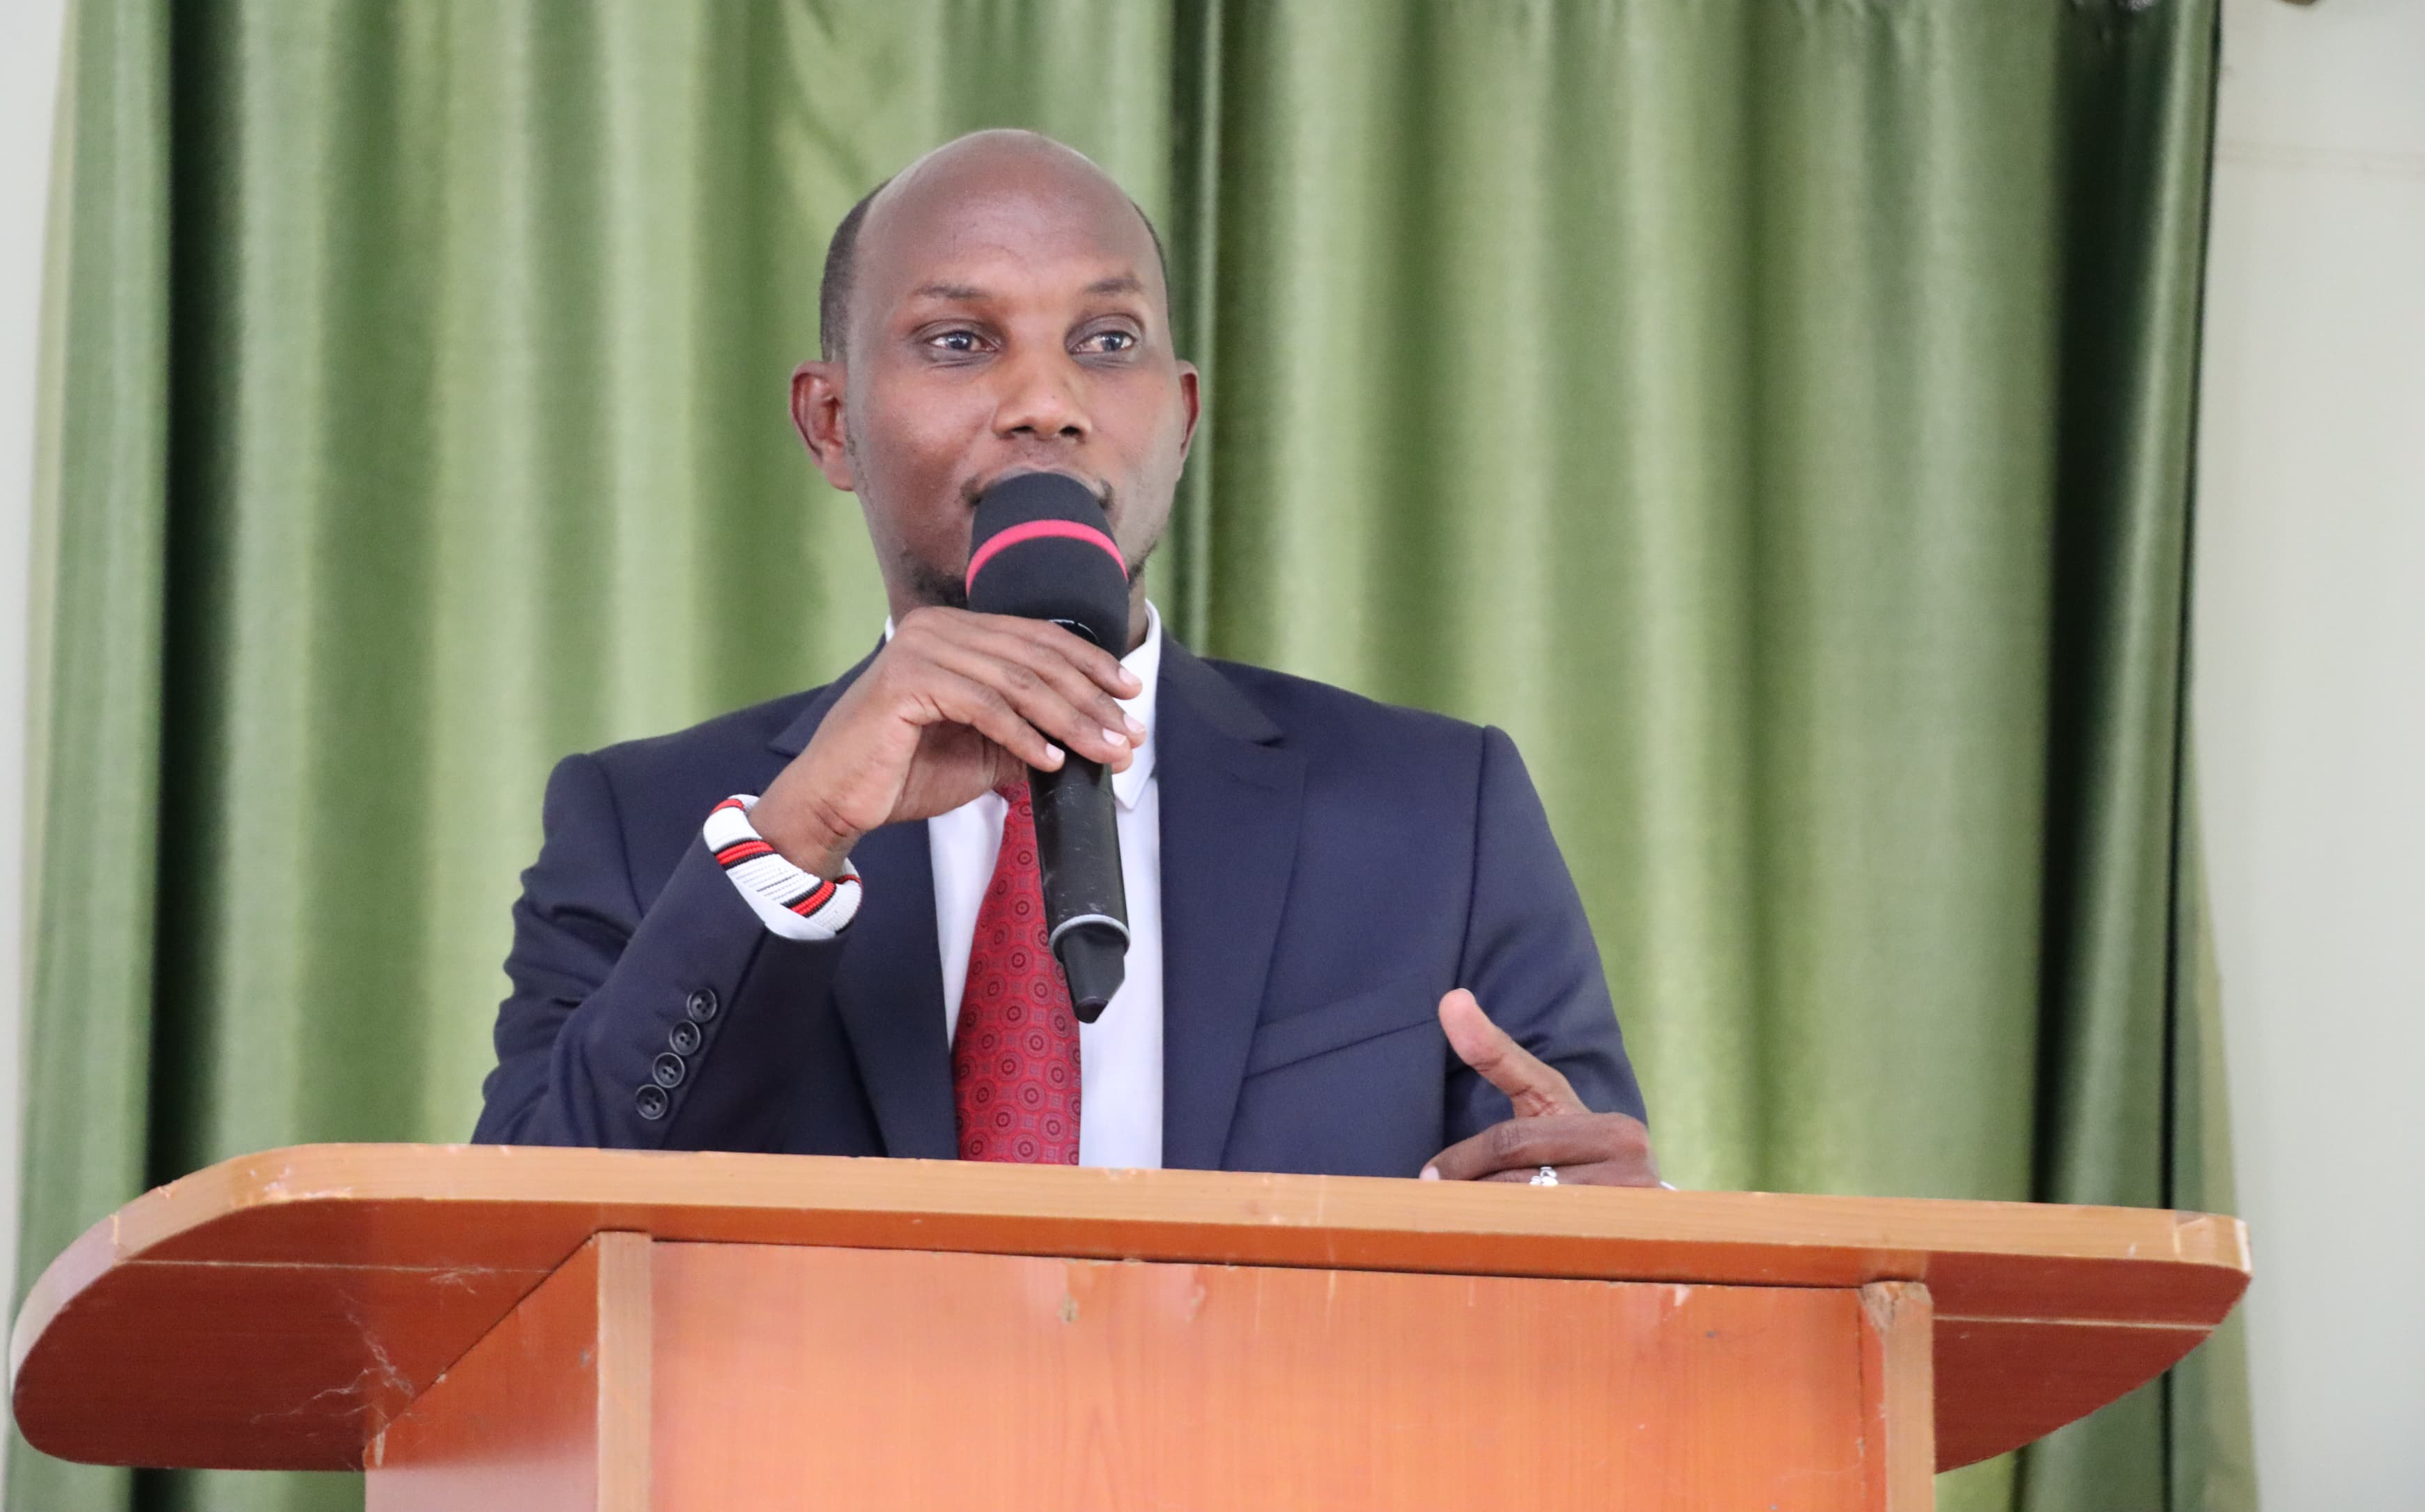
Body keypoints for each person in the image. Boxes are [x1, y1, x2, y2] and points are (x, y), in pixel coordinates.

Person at [473, 129, 1660, 1187]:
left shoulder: (1440, 817)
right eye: (957, 340)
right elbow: (517, 1246)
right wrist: (794, 845)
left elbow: (1578, 1229)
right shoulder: (653, 829)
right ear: (832, 423)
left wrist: (1607, 1250)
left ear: (1183, 418)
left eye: (1106, 339)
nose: (1045, 400)